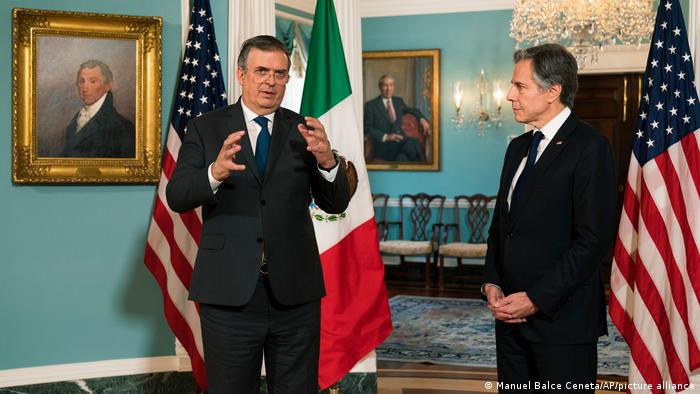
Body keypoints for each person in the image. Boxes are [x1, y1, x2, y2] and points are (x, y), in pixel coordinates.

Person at [166, 35, 351, 393]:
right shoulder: (206, 127)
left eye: (280, 74)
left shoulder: (305, 131)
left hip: (295, 293)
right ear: (241, 74)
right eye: (262, 71)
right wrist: (215, 173)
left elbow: (335, 202)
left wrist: (328, 161)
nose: (270, 81)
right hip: (229, 292)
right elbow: (177, 195)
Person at [482, 43, 617, 393]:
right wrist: (492, 283)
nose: (510, 95)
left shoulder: (591, 147)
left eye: (520, 86)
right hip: (510, 320)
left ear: (552, 91)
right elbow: (502, 228)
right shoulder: (517, 147)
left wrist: (536, 298)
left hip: (562, 321)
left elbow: (591, 241)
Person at [62, 60, 135, 158]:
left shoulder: (123, 128)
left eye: (93, 81)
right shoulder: (75, 121)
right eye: (81, 81)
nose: (84, 88)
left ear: (108, 85)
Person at [363, 74, 429, 162]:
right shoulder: (371, 105)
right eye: (385, 85)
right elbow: (367, 128)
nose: (388, 88)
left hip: (401, 143)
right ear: (380, 87)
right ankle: (425, 167)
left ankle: (422, 166)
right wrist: (386, 137)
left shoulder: (398, 101)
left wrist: (422, 119)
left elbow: (413, 110)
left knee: (403, 157)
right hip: (384, 146)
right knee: (412, 144)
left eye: (391, 85)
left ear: (393, 87)